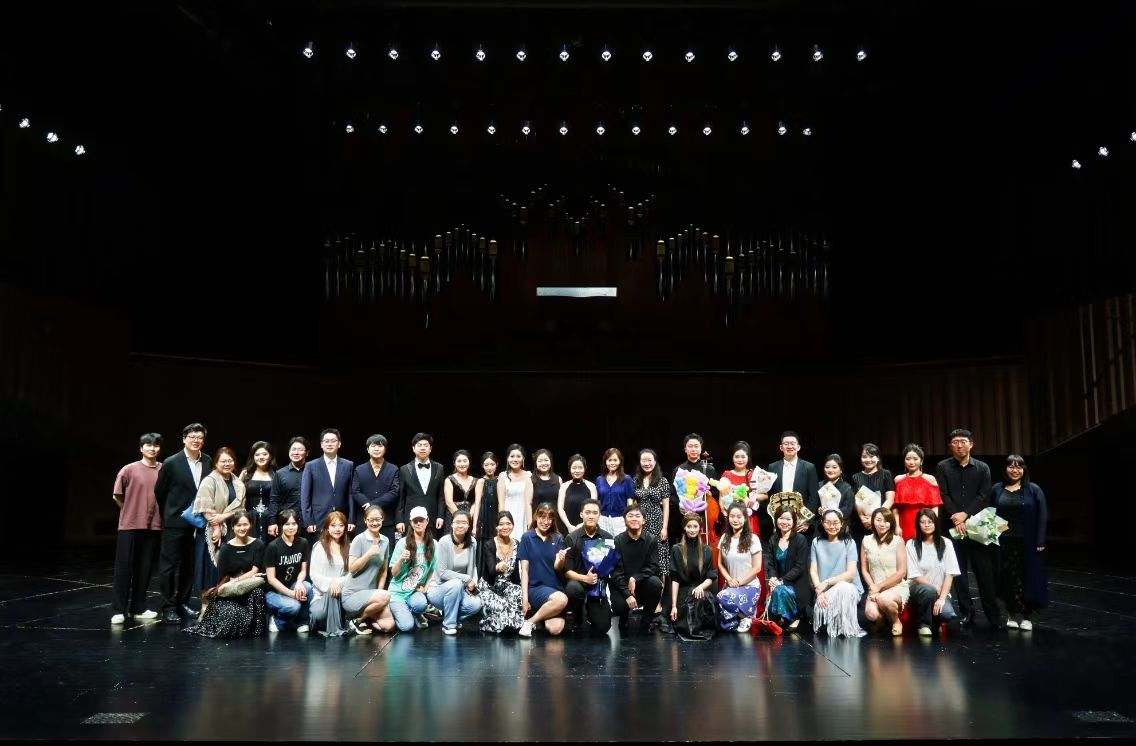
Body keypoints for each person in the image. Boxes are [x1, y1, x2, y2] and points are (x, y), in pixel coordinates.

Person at [934, 428, 1001, 629]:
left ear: (971, 444)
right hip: (953, 527)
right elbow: (943, 494)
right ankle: (967, 612)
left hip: (978, 525)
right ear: (950, 446)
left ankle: (993, 615)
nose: (959, 445)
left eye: (963, 441)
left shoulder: (982, 468)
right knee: (959, 572)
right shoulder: (942, 467)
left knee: (985, 572)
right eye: (955, 442)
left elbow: (984, 495)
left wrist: (964, 515)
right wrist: (957, 517)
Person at [155, 423, 212, 624]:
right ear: (184, 439)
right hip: (176, 521)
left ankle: (182, 602)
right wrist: (171, 513)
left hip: (198, 522)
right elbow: (160, 492)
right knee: (169, 566)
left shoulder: (207, 460)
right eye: (192, 437)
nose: (196, 440)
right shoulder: (171, 462)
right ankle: (168, 607)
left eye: (199, 437)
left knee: (189, 566)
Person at [184, 510, 268, 639]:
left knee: (258, 593)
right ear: (232, 527)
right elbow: (223, 577)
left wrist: (237, 579)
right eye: (239, 525)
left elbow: (254, 571)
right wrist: (233, 582)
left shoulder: (258, 544)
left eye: (245, 524)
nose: (242, 528)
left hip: (249, 587)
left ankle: (252, 629)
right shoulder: (226, 548)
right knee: (230, 619)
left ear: (251, 525)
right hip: (231, 589)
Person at [110, 432, 164, 624]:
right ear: (141, 448)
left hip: (154, 525)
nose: (152, 448)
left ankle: (138, 608)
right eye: (148, 445)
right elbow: (117, 495)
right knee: (124, 567)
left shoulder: (164, 469)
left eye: (155, 445)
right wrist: (131, 511)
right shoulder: (129, 469)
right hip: (130, 525)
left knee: (145, 568)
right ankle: (119, 610)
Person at [992, 455, 1048, 630]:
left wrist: (1040, 540)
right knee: (1008, 578)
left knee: (1027, 578)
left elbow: (1042, 516)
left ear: (1024, 469)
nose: (1015, 470)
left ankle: (1026, 616)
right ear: (1005, 469)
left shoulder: (1034, 489)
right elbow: (989, 513)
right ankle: (1011, 613)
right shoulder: (997, 489)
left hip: (1028, 542)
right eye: (1011, 466)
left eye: (1019, 467)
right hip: (1003, 542)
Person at [190, 447, 246, 598]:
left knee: (227, 568)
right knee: (208, 569)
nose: (227, 464)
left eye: (230, 461)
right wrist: (216, 527)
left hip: (231, 530)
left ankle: (223, 603)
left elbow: (241, 508)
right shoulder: (209, 480)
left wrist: (223, 517)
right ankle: (205, 605)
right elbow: (205, 506)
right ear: (216, 463)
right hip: (210, 531)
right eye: (223, 461)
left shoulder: (238, 483)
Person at [562, 499, 614, 636]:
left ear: (599, 515)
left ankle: (592, 612)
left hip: (597, 586)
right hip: (578, 582)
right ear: (581, 514)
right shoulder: (571, 538)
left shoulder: (607, 538)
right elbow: (567, 571)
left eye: (595, 513)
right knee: (573, 588)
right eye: (588, 512)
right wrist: (585, 578)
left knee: (603, 627)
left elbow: (610, 566)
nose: (591, 516)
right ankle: (577, 616)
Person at [906, 508, 961, 636]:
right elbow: (914, 575)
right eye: (922, 522)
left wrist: (942, 598)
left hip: (940, 591)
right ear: (918, 525)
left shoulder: (946, 543)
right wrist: (934, 586)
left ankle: (936, 622)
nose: (926, 525)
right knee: (928, 590)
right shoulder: (911, 544)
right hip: (918, 589)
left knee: (947, 614)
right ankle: (924, 625)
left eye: (930, 522)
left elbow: (950, 574)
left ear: (935, 523)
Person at [610, 503, 664, 635]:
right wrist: (627, 594)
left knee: (656, 583)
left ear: (644, 520)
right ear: (625, 520)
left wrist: (635, 578)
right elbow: (616, 571)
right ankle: (623, 618)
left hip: (642, 584)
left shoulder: (651, 539)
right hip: (623, 586)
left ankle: (646, 622)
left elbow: (653, 566)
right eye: (630, 516)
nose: (634, 519)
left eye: (637, 516)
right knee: (619, 606)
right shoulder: (617, 541)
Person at [810, 509, 865, 637]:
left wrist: (827, 582)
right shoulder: (816, 542)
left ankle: (846, 630)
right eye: (828, 522)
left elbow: (850, 574)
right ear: (822, 523)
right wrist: (819, 591)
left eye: (835, 522)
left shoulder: (849, 542)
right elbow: (813, 570)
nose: (832, 526)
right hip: (825, 591)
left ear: (841, 523)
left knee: (843, 587)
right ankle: (834, 626)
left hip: (850, 588)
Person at [518, 502, 569, 638]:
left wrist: (561, 559)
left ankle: (535, 618)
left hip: (554, 589)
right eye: (542, 517)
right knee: (562, 600)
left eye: (549, 518)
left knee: (555, 629)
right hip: (536, 588)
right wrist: (525, 598)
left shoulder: (557, 538)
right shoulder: (527, 537)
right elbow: (524, 571)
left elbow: (557, 567)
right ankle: (530, 623)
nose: (546, 522)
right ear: (536, 517)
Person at [342, 505, 395, 635]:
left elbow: (383, 571)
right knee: (386, 596)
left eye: (378, 519)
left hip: (371, 595)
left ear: (382, 519)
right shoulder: (359, 539)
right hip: (352, 594)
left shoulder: (385, 541)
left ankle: (364, 617)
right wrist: (369, 554)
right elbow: (352, 569)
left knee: (388, 626)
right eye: (371, 520)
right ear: (365, 521)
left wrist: (379, 593)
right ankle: (356, 621)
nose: (374, 523)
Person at [633, 448, 672, 627]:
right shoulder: (636, 480)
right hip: (641, 525)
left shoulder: (662, 481)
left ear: (655, 462)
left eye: (650, 460)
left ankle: (658, 602)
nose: (647, 463)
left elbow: (666, 506)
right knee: (644, 562)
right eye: (644, 460)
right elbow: (634, 505)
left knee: (661, 564)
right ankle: (643, 600)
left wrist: (664, 527)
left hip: (657, 524)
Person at [756, 431, 820, 539]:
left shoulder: (809, 468)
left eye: (792, 443)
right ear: (781, 447)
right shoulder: (772, 467)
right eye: (786, 444)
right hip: (779, 520)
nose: (789, 446)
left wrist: (807, 521)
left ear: (798, 447)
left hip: (801, 523)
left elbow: (813, 497)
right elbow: (770, 495)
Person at [431, 509, 483, 635]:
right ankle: (448, 625)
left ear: (469, 526)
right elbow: (442, 573)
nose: (460, 525)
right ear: (452, 524)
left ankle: (454, 617)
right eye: (457, 522)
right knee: (456, 583)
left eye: (464, 522)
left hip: (460, 589)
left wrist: (471, 584)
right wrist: (466, 579)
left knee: (476, 604)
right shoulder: (444, 542)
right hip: (438, 589)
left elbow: (472, 567)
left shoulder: (472, 542)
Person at [860, 507, 909, 636]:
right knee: (871, 614)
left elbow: (901, 572)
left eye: (886, 521)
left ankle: (896, 621)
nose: (882, 524)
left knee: (884, 599)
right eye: (878, 520)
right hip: (875, 587)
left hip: (896, 586)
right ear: (872, 521)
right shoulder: (866, 541)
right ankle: (882, 620)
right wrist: (873, 587)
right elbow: (864, 569)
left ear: (891, 523)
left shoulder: (898, 541)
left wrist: (879, 587)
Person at [388, 506, 437, 632]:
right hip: (397, 593)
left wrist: (425, 589)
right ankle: (398, 611)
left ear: (427, 521)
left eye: (421, 520)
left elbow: (432, 570)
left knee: (421, 604)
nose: (418, 523)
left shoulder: (433, 544)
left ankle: (415, 613)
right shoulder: (402, 543)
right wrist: (400, 559)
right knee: (407, 626)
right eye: (415, 521)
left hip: (414, 592)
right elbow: (394, 573)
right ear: (411, 523)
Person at [716, 502, 763, 633]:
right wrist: (729, 579)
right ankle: (740, 615)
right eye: (732, 516)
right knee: (726, 626)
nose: (735, 520)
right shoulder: (725, 538)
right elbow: (720, 564)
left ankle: (746, 615)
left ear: (745, 518)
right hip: (732, 586)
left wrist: (739, 583)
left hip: (750, 586)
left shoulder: (753, 539)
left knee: (722, 597)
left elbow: (757, 568)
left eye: (739, 516)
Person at [301, 428, 356, 541]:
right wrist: (308, 520)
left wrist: (351, 518)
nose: (329, 444)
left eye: (333, 441)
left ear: (339, 444)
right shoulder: (311, 466)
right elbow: (305, 496)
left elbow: (351, 494)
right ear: (321, 444)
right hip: (318, 520)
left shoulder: (348, 465)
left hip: (342, 519)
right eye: (326, 441)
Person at [764, 506, 812, 630]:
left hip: (795, 584)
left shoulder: (800, 540)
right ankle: (782, 616)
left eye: (788, 519)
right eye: (781, 518)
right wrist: (773, 578)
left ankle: (795, 616)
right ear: (776, 519)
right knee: (777, 590)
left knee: (780, 590)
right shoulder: (773, 539)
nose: (784, 522)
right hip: (779, 582)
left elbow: (799, 567)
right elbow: (770, 564)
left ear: (794, 521)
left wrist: (781, 581)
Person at [263, 509, 311, 633]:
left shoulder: (303, 543)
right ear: (281, 526)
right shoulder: (273, 547)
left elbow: (303, 570)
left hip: (291, 585)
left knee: (307, 586)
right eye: (287, 524)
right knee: (293, 606)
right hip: (273, 592)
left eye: (294, 524)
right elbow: (271, 579)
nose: (291, 527)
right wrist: (291, 594)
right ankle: (277, 620)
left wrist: (299, 583)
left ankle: (302, 622)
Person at [477, 510, 524, 635]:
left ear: (513, 525)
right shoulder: (489, 544)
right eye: (501, 524)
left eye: (508, 524)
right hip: (490, 588)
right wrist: (498, 567)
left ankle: (510, 623)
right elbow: (491, 570)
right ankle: (486, 623)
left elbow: (516, 574)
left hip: (506, 587)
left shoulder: (517, 544)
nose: (505, 527)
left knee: (518, 592)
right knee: (504, 608)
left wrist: (522, 595)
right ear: (496, 527)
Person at [350, 434, 400, 548]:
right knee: (362, 553)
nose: (376, 449)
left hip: (386, 521)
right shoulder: (359, 469)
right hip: (364, 521)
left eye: (380, 446)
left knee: (387, 554)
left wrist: (372, 505)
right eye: (373, 446)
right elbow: (355, 491)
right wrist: (367, 504)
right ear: (368, 449)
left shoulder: (393, 469)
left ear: (385, 449)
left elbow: (394, 491)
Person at [669, 512, 718, 629]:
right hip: (684, 592)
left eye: (695, 526)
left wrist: (701, 587)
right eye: (689, 526)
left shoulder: (707, 550)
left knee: (704, 607)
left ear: (700, 528)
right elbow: (675, 579)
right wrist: (674, 606)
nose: (692, 530)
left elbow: (710, 576)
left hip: (700, 591)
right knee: (687, 623)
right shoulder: (677, 549)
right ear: (684, 528)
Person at [308, 511, 352, 635]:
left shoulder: (350, 546)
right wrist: (331, 584)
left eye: (341, 525)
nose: (337, 529)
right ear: (327, 527)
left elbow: (351, 574)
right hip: (321, 594)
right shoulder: (319, 547)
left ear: (345, 527)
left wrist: (336, 584)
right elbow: (314, 574)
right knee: (318, 614)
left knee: (336, 593)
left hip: (343, 592)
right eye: (333, 525)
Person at [670, 434, 718, 543]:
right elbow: (672, 495)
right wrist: (680, 506)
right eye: (690, 446)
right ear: (685, 449)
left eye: (696, 446)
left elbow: (717, 492)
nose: (693, 449)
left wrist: (710, 494)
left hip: (705, 516)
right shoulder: (679, 470)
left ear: (701, 449)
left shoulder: (709, 469)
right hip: (684, 517)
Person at [396, 433, 446, 538]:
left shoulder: (439, 468)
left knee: (432, 546)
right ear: (413, 448)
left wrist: (441, 516)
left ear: (430, 449)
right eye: (419, 445)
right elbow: (401, 497)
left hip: (433, 519)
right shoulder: (404, 469)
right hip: (411, 519)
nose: (422, 448)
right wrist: (399, 520)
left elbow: (441, 496)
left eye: (426, 445)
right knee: (410, 547)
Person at [848, 443, 896, 548]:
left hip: (882, 521)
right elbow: (855, 500)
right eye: (865, 456)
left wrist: (875, 518)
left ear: (877, 458)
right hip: (862, 523)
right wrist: (862, 517)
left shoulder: (886, 474)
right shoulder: (856, 477)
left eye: (872, 456)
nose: (868, 460)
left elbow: (890, 499)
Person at [892, 444, 942, 540]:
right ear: (904, 461)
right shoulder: (898, 479)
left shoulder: (930, 479)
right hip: (903, 524)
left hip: (924, 523)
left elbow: (934, 506)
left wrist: (932, 524)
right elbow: (895, 507)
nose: (911, 462)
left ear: (921, 461)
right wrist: (897, 526)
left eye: (915, 459)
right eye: (908, 459)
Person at [716, 441, 761, 541]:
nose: (740, 460)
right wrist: (724, 512)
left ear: (748, 458)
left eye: (743, 457)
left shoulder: (753, 474)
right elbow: (721, 497)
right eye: (737, 457)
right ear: (732, 458)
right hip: (731, 517)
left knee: (750, 545)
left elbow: (765, 495)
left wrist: (754, 497)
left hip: (749, 518)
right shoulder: (727, 474)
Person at [268, 436, 310, 539]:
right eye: (293, 449)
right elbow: (274, 500)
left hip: (309, 524)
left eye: (300, 450)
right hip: (287, 523)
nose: (296, 453)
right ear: (289, 452)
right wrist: (272, 522)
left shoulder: (313, 471)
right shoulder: (280, 474)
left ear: (307, 453)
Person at [239, 441, 276, 544]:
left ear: (270, 456)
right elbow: (237, 496)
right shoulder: (246, 473)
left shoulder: (276, 474)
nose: (261, 457)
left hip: (270, 519)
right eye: (257, 454)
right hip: (249, 518)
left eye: (264, 454)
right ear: (253, 457)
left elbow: (277, 500)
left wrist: (273, 520)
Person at [596, 448, 635, 537]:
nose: (612, 463)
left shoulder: (627, 479)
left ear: (620, 461)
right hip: (603, 519)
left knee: (619, 544)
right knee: (603, 544)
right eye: (609, 460)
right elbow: (598, 500)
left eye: (615, 460)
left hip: (620, 520)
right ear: (605, 461)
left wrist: (628, 519)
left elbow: (629, 501)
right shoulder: (599, 479)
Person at [497, 445, 533, 541]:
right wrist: (501, 523)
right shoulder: (503, 477)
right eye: (512, 456)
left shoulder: (529, 475)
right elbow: (501, 504)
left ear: (523, 459)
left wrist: (530, 523)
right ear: (507, 459)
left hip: (524, 515)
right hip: (508, 515)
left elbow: (529, 502)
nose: (515, 459)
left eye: (518, 456)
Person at [557, 454, 597, 534]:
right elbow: (560, 508)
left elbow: (594, 509)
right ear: (570, 469)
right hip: (566, 527)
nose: (577, 471)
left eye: (580, 468)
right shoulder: (564, 486)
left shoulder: (591, 486)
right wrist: (569, 526)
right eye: (574, 468)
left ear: (585, 468)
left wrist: (582, 525)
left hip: (586, 527)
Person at [818, 454, 856, 531]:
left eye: (834, 467)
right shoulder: (819, 485)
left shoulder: (847, 488)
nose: (830, 470)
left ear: (841, 470)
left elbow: (848, 510)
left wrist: (831, 516)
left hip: (840, 527)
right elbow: (814, 505)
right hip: (822, 526)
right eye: (827, 467)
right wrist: (819, 509)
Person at [442, 450, 477, 531]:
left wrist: (468, 517)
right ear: (454, 463)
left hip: (470, 517)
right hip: (453, 516)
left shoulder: (475, 480)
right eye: (459, 461)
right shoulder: (449, 480)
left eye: (465, 461)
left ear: (469, 462)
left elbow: (475, 502)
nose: (462, 464)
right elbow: (449, 502)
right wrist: (461, 519)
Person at [471, 452, 500, 540]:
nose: (489, 468)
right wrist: (474, 526)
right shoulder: (481, 481)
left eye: (492, 464)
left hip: (496, 516)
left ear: (496, 464)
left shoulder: (499, 480)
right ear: (482, 466)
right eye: (486, 465)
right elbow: (477, 504)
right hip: (484, 517)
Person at [530, 449, 562, 518]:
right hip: (538, 520)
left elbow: (561, 504)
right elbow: (528, 504)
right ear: (536, 463)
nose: (543, 463)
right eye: (540, 461)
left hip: (555, 520)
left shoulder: (558, 479)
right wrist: (530, 522)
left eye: (546, 460)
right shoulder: (531, 480)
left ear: (550, 461)